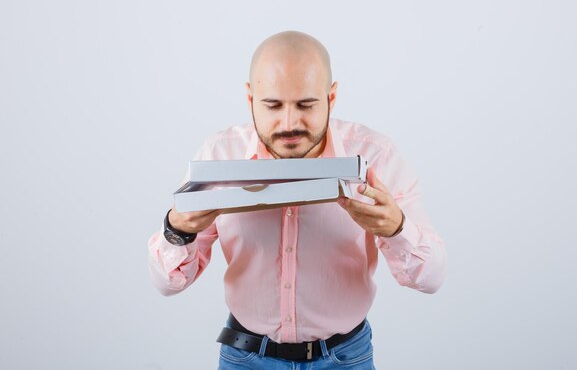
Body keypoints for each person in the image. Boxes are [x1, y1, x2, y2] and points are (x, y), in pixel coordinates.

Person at [147, 31, 447, 369]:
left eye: (306, 105)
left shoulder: (376, 155)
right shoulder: (220, 155)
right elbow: (166, 283)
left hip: (345, 358)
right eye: (273, 105)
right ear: (250, 99)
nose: (289, 123)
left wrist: (396, 228)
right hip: (246, 357)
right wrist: (177, 229)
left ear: (331, 98)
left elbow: (432, 277)